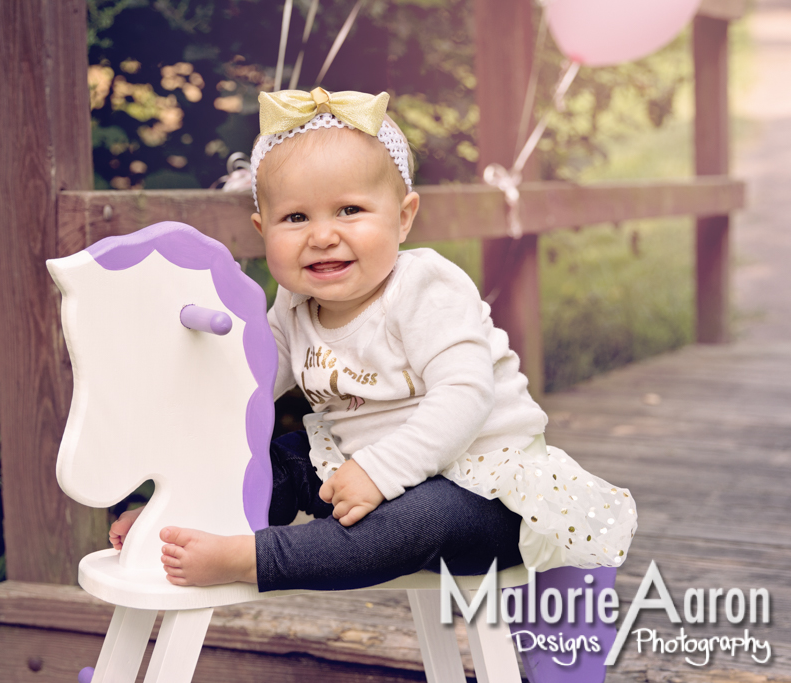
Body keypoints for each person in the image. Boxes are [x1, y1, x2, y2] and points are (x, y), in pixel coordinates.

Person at [109, 88, 636, 596]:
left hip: (482, 491)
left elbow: (465, 396)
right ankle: (175, 523)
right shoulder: (292, 304)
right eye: (295, 218)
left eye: (349, 211)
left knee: (420, 518)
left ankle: (255, 559)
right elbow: (244, 390)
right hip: (354, 474)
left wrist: (381, 471)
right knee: (272, 462)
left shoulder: (424, 287)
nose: (321, 235)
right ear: (261, 228)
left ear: (403, 218)